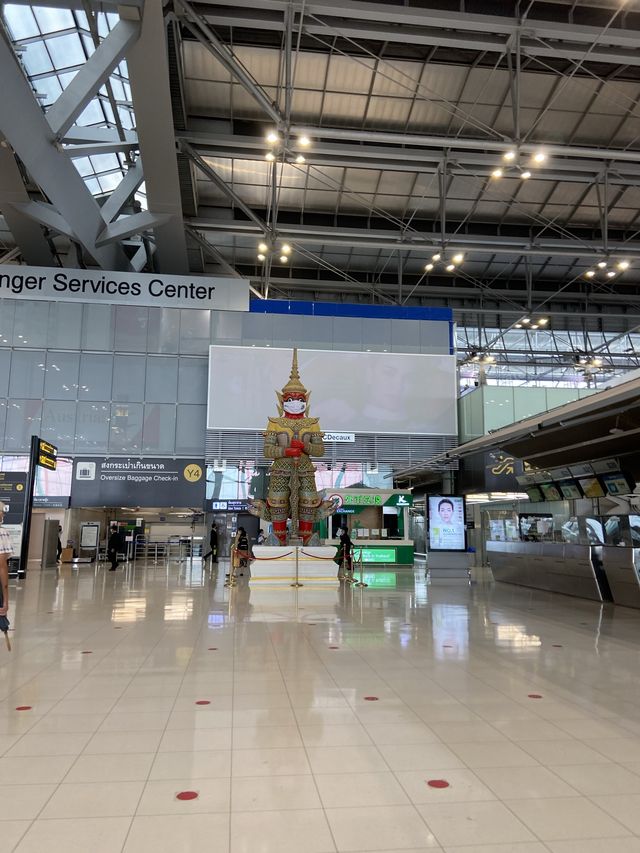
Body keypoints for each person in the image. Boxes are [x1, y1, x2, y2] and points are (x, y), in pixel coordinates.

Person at [0, 505, 12, 619]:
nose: (3, 514)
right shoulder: (2, 533)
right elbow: (2, 567)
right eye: (2, 512)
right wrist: (5, 600)